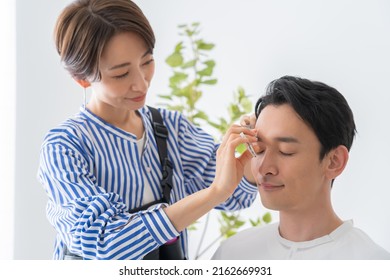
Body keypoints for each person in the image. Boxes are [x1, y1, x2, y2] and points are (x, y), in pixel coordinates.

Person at [37, 0, 258, 260]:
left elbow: (235, 197)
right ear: (82, 78)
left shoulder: (171, 128)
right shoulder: (64, 147)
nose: (141, 83)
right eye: (121, 74)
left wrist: (250, 156)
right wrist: (213, 194)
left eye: (147, 62)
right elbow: (105, 242)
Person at [212, 75, 390, 260]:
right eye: (259, 149)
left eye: (285, 151)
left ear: (334, 161)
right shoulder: (233, 254)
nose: (264, 168)